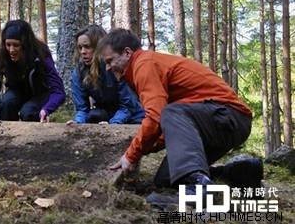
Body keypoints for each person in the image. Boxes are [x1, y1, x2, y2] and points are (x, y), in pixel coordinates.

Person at [100, 28, 262, 199]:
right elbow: (171, 129)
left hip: (230, 116)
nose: (108, 68)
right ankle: (239, 172)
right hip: (215, 123)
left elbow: (157, 117)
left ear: (127, 52)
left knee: (170, 112)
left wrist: (132, 154)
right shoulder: (143, 67)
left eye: (110, 61)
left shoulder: (144, 64)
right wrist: (142, 149)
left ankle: (199, 187)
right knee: (168, 178)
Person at [0, 20, 66, 122]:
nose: (11, 50)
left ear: (25, 45)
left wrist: (47, 109)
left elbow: (58, 91)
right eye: (8, 45)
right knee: (6, 103)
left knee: (28, 113)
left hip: (41, 93)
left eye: (16, 45)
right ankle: (6, 134)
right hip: (17, 92)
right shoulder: (1, 57)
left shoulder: (41, 54)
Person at [68, 24, 145, 125]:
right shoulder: (78, 72)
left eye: (87, 47)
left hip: (132, 114)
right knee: (94, 115)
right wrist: (77, 123)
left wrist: (113, 124)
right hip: (106, 115)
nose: (83, 52)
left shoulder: (115, 67)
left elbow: (128, 105)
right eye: (80, 47)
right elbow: (82, 109)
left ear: (98, 47)